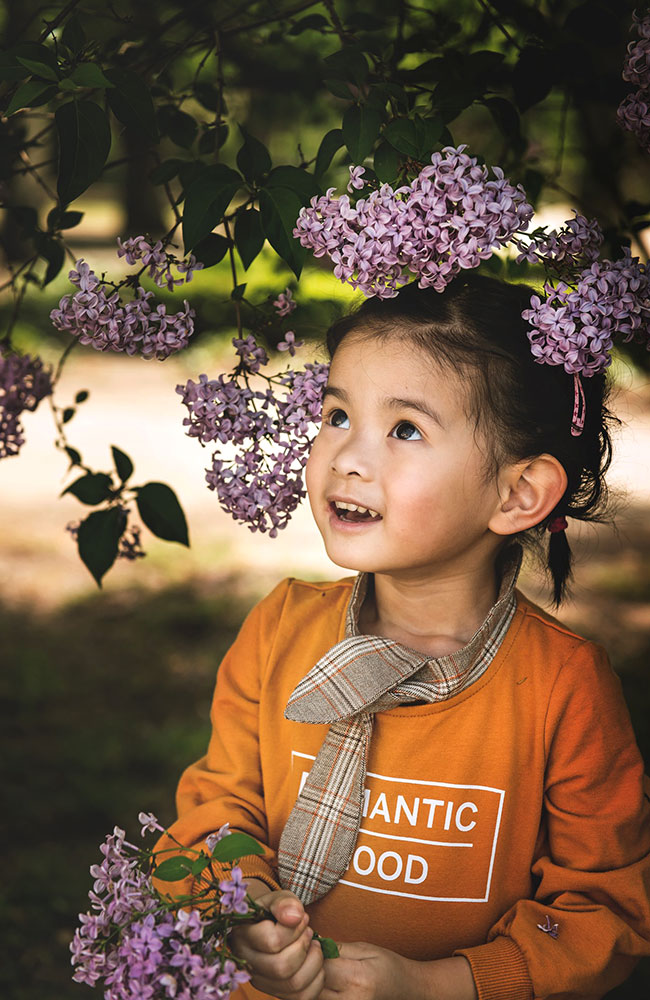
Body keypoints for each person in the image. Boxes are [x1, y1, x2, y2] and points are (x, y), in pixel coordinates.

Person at [161, 274, 650, 1000]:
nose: (347, 458)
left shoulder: (564, 685)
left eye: (405, 430)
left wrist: (430, 985)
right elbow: (217, 810)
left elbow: (602, 914)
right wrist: (248, 907)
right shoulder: (280, 629)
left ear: (518, 493)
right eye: (337, 415)